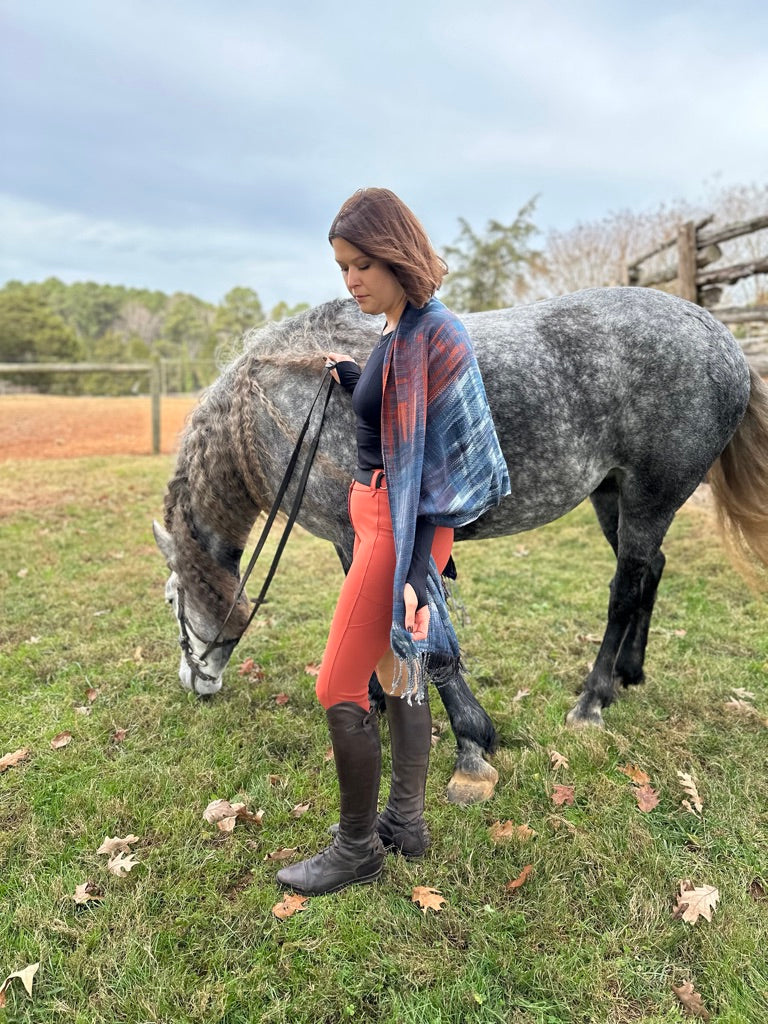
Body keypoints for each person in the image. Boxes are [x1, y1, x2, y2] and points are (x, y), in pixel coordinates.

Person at [276, 188, 510, 896]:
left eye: (361, 265)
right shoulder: (396, 330)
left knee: (338, 684)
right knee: (396, 667)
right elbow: (394, 415)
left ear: (397, 253)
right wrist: (356, 382)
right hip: (384, 518)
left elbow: (454, 466)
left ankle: (356, 850)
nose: (351, 282)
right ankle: (405, 822)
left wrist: (414, 565)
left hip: (399, 529)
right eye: (342, 268)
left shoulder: (438, 334)